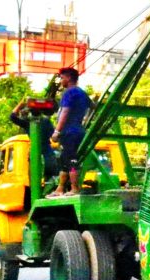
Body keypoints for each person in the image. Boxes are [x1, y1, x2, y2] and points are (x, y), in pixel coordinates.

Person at [47, 67, 90, 197]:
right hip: (78, 130)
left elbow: (65, 112)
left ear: (69, 78)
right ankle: (60, 189)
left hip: (69, 132)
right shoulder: (82, 93)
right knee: (65, 160)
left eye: (62, 77)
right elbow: (92, 106)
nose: (61, 80)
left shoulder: (69, 93)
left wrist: (57, 131)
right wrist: (85, 121)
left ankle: (74, 188)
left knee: (71, 161)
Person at [10, 100, 58, 179]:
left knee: (35, 180)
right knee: (51, 178)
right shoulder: (46, 121)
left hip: (35, 155)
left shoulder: (27, 123)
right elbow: (54, 136)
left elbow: (12, 117)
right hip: (48, 154)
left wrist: (21, 104)